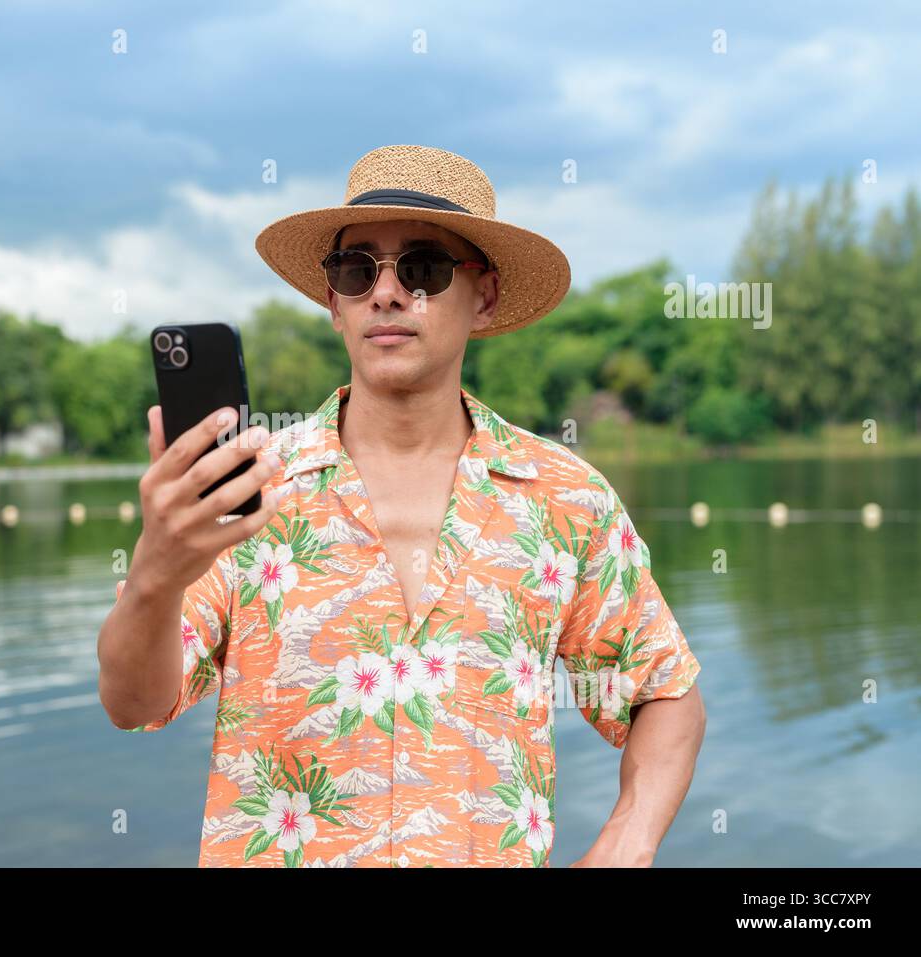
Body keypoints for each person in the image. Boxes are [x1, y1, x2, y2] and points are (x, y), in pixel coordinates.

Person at [97, 144, 705, 868]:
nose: (386, 293)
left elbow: (666, 691)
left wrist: (627, 841)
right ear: (333, 301)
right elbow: (133, 702)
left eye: (422, 268)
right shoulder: (248, 489)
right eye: (357, 270)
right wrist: (157, 576)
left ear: (483, 296)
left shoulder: (566, 499)